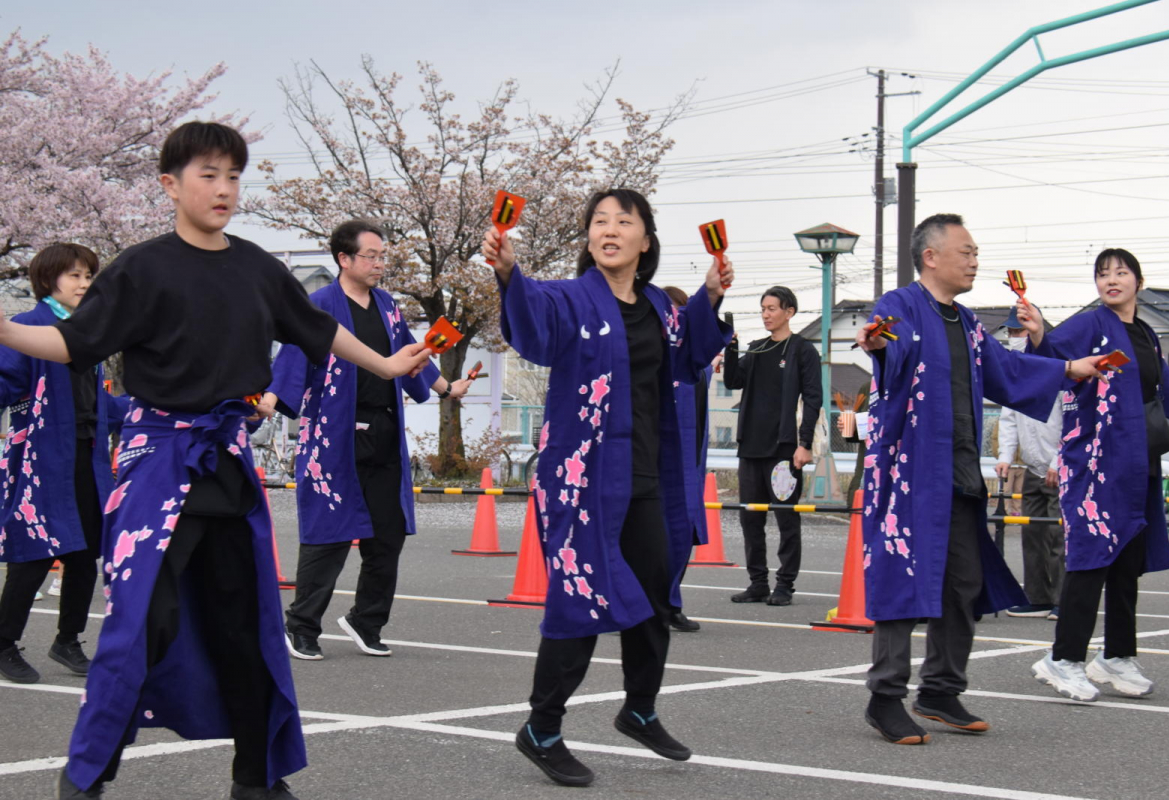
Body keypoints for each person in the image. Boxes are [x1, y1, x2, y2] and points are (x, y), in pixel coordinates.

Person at [0, 122, 432, 800]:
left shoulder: (259, 267)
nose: (224, 188)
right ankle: (85, 776)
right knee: (144, 621)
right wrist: (2, 328)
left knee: (246, 625)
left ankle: (255, 778)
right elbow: (74, 342)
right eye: (208, 174)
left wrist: (385, 362)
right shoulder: (141, 268)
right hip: (156, 466)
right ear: (170, 185)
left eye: (233, 176)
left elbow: (320, 333)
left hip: (227, 469)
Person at [484, 189, 731, 786]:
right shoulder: (569, 299)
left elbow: (692, 354)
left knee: (653, 598)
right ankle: (542, 728)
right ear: (589, 238)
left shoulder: (659, 309)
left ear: (646, 241)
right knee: (582, 597)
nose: (610, 229)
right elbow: (532, 327)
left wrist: (712, 295)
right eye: (599, 221)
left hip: (647, 477)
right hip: (583, 481)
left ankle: (640, 709)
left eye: (625, 221)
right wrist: (510, 270)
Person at [854, 213, 1102, 745]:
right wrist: (877, 344)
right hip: (910, 476)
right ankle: (885, 698)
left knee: (961, 587)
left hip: (962, 474)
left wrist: (1068, 367)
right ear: (931, 256)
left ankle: (941, 689)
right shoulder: (898, 306)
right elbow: (886, 345)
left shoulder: (966, 323)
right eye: (965, 251)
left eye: (974, 252)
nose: (974, 260)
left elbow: (1008, 374)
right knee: (905, 582)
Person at [258, 219, 473, 661]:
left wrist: (448, 389)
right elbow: (293, 361)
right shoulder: (318, 306)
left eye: (382, 256)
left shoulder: (388, 305)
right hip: (334, 437)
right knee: (329, 535)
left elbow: (414, 355)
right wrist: (270, 399)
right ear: (344, 258)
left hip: (384, 431)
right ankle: (301, 625)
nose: (379, 264)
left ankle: (366, 620)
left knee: (388, 534)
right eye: (371, 256)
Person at [1028, 248, 1169, 702]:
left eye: (1121, 272)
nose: (1111, 280)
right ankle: (1062, 659)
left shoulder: (1146, 333)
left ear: (1138, 282)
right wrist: (1039, 333)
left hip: (1138, 459)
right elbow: (1050, 359)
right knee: (1091, 557)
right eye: (1102, 274)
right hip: (1096, 461)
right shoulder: (1091, 325)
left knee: (1127, 561)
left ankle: (1116, 656)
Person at [0, 243, 127, 685]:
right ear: (48, 279)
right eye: (74, 275)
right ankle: (3, 643)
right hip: (43, 457)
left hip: (87, 455)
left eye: (89, 276)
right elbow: (7, 384)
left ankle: (67, 639)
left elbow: (100, 403)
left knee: (84, 553)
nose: (83, 284)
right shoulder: (28, 326)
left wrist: (152, 404)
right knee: (35, 553)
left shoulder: (84, 331)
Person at [722, 286, 821, 606]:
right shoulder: (757, 349)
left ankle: (785, 586)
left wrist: (804, 443)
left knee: (786, 519)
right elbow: (733, 380)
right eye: (763, 308)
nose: (766, 314)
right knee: (750, 518)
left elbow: (814, 399)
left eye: (772, 308)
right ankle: (758, 582)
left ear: (789, 312)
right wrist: (731, 347)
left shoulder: (802, 350)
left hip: (783, 450)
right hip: (750, 448)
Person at [994, 308, 1064, 619]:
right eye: (1010, 333)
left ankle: (1066, 599)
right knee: (1033, 534)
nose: (1013, 338)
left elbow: (1074, 419)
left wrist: (1059, 460)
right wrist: (1005, 457)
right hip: (1035, 466)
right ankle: (1039, 597)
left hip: (1062, 466)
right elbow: (1008, 418)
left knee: (1061, 537)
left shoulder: (1057, 366)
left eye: (1019, 332)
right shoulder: (1016, 373)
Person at [663, 285, 713, 633]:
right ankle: (642, 608)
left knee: (682, 536)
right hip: (659, 463)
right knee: (652, 539)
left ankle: (670, 604)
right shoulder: (655, 359)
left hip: (691, 461)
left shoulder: (698, 364)